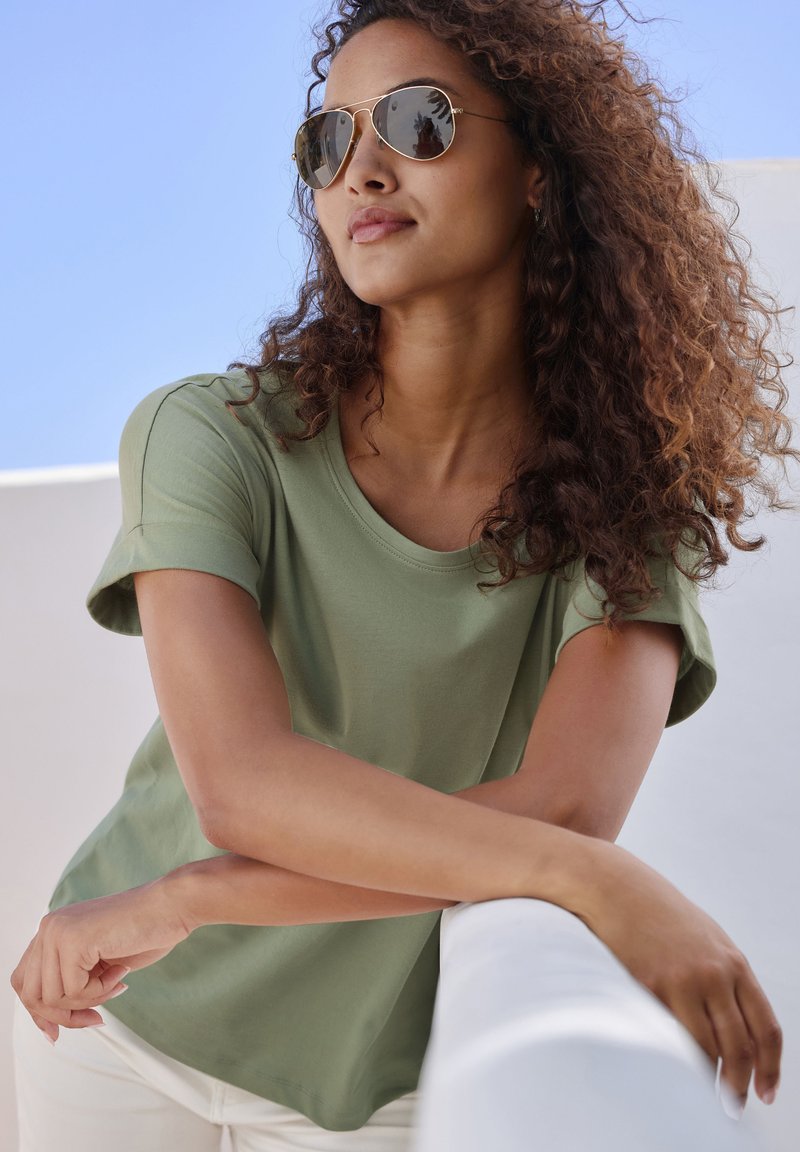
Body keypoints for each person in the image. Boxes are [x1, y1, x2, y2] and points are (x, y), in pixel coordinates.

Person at [10, 1, 796, 1149]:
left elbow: (565, 810)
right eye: (326, 143)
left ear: (537, 169)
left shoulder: (633, 506)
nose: (361, 169)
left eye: (418, 123)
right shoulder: (212, 435)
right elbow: (243, 782)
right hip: (122, 1018)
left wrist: (185, 898)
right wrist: (606, 884)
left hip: (375, 1078)